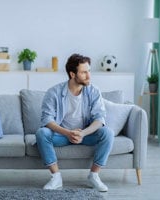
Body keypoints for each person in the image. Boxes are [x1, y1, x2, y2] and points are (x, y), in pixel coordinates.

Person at [35, 54, 114, 192]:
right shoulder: (54, 92)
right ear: (72, 74)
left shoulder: (94, 91)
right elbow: (47, 120)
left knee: (107, 133)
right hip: (62, 136)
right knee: (42, 133)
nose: (89, 76)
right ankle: (56, 177)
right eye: (84, 72)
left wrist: (83, 133)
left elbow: (100, 118)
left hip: (86, 135)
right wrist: (68, 133)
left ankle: (94, 175)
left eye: (89, 71)